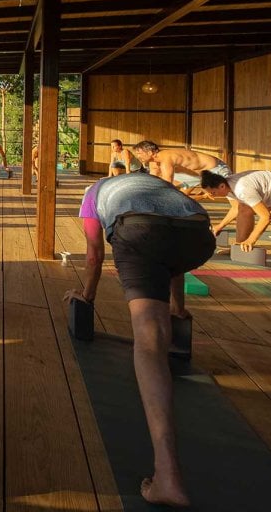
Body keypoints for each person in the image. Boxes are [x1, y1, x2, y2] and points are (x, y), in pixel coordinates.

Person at [70, 172, 214, 507]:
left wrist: (85, 298)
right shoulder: (154, 184)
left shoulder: (92, 195)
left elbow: (94, 255)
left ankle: (167, 476)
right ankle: (171, 314)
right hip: (198, 233)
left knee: (149, 341)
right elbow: (171, 252)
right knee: (163, 250)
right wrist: (178, 309)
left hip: (139, 230)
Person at [132, 140, 271, 234]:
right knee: (244, 204)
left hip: (215, 170)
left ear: (150, 151)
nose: (137, 157)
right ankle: (226, 231)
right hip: (199, 174)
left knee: (242, 203)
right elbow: (154, 179)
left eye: (139, 153)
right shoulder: (154, 161)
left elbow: (167, 181)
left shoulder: (165, 156)